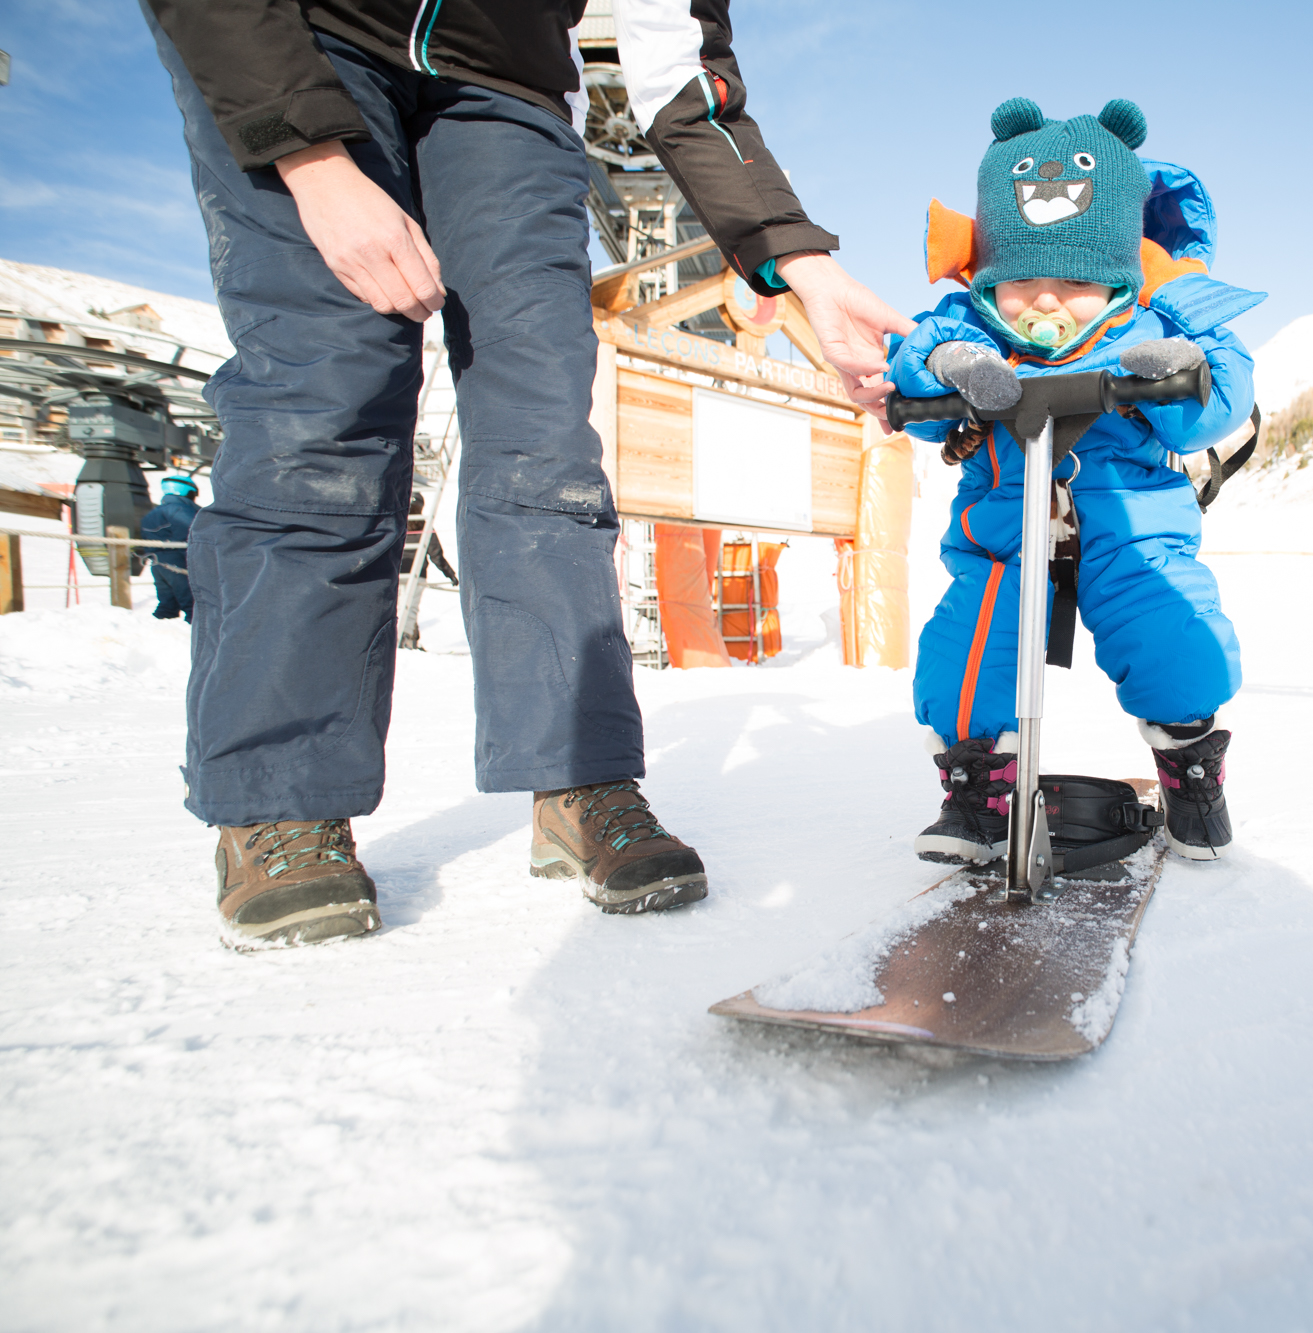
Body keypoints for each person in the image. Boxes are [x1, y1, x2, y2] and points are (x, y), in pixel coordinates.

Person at [142, 0, 913, 950]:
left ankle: (580, 774)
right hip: (307, 40)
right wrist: (304, 152)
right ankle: (280, 798)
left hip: (509, 93)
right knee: (322, 411)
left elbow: (683, 71)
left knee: (548, 439)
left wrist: (798, 260)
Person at [888, 97, 1258, 862]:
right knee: (966, 647)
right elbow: (916, 365)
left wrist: (1182, 368)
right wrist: (954, 368)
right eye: (1022, 278)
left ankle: (1190, 763)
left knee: (1171, 633)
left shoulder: (1149, 324)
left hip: (1131, 528)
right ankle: (978, 786)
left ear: (1118, 276)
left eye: (1074, 279)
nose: (1046, 299)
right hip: (1004, 533)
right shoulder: (971, 326)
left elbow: (1219, 403)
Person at [141, 474, 200, 626]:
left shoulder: (153, 512)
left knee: (168, 604)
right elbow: (193, 535)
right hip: (177, 562)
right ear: (188, 492)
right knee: (194, 605)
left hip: (157, 563)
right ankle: (198, 635)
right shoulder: (181, 510)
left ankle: (154, 631)